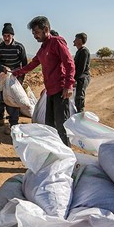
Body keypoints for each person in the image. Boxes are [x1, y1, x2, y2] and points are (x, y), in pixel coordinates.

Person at [12, 16, 75, 146]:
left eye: (36, 32)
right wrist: (16, 73)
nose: (35, 36)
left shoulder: (57, 42)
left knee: (61, 125)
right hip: (50, 92)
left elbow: (69, 63)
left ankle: (66, 156)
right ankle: (53, 152)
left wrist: (69, 85)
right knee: (50, 125)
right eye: (33, 33)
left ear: (46, 29)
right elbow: (33, 64)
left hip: (60, 91)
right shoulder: (42, 49)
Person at [0, 23, 28, 135]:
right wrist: (2, 68)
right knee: (0, 97)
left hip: (15, 78)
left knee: (13, 100)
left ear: (13, 35)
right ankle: (0, 119)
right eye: (4, 36)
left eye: (8, 36)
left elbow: (25, 64)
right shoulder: (0, 48)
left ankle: (13, 124)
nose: (6, 38)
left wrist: (20, 79)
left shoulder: (19, 47)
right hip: (3, 76)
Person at [73, 32, 91, 113]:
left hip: (82, 78)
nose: (74, 41)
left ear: (80, 40)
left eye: (75, 39)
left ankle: (80, 116)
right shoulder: (79, 51)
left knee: (79, 98)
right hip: (79, 78)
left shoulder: (84, 51)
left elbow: (81, 68)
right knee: (77, 98)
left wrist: (74, 79)